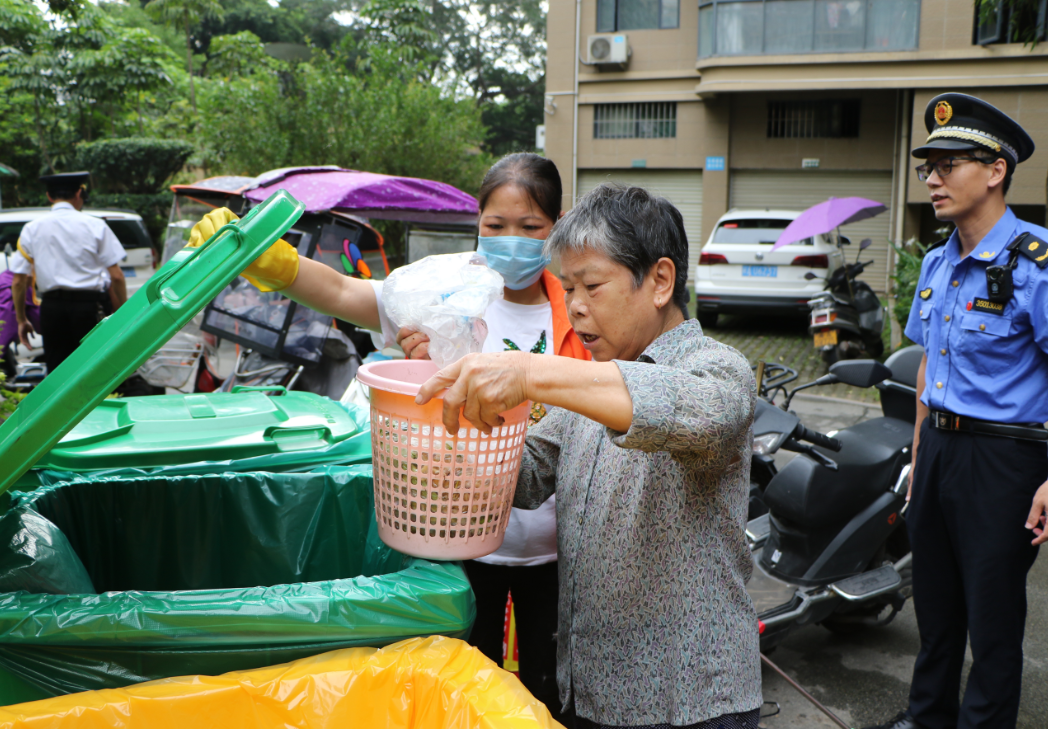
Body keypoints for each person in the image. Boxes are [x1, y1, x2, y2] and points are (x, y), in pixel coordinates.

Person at [187, 153, 588, 724]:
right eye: (495, 226)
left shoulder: (578, 302)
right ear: (477, 222)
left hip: (553, 543)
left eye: (531, 227)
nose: (510, 241)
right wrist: (273, 263)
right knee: (465, 682)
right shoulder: (445, 288)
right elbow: (349, 294)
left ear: (559, 225)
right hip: (457, 535)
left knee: (549, 683)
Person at [414, 183, 762, 728]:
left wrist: (528, 372)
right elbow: (523, 475)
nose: (574, 306)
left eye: (592, 286)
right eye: (567, 286)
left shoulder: (717, 369)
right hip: (591, 690)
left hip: (688, 701)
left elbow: (689, 410)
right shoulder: (585, 387)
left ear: (660, 281)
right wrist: (446, 402)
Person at [866, 94, 1048, 729]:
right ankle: (927, 716)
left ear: (995, 170)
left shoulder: (1036, 264)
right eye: (928, 168)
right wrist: (920, 457)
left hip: (1005, 459)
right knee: (936, 609)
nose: (933, 179)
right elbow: (927, 371)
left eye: (948, 164)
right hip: (939, 451)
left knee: (993, 621)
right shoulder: (938, 261)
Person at [9, 172, 127, 375]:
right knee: (93, 368)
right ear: (79, 193)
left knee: (58, 373)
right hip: (89, 309)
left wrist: (22, 320)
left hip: (52, 310)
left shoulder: (32, 228)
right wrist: (124, 313)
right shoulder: (95, 225)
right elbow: (116, 276)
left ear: (49, 196)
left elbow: (19, 282)